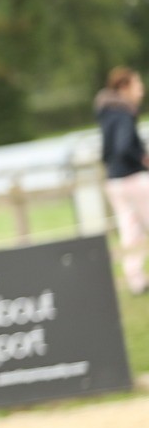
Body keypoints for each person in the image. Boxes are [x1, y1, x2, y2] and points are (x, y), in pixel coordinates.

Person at [95, 66, 149, 295]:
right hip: (133, 177)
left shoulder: (106, 112)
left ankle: (135, 280)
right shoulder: (124, 112)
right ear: (124, 87)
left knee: (129, 230)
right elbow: (123, 146)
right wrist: (142, 158)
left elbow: (107, 150)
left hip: (114, 180)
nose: (141, 89)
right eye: (137, 84)